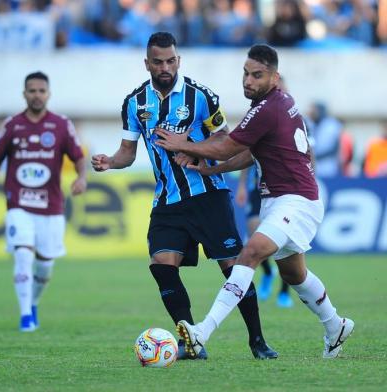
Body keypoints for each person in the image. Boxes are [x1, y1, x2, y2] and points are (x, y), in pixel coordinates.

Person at [155, 44, 354, 359]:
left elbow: (227, 146)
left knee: (249, 254)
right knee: (294, 274)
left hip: (296, 200)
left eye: (257, 75)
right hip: (278, 200)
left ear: (274, 77)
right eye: (246, 74)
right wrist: (215, 168)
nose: (248, 81)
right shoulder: (278, 103)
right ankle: (336, 325)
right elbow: (247, 153)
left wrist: (185, 144)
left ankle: (201, 332)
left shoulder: (267, 109)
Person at [91, 32, 277, 360]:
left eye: (171, 60)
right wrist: (110, 162)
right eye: (159, 61)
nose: (166, 67)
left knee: (234, 267)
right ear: (147, 63)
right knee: (162, 263)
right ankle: (192, 340)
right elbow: (127, 153)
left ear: (179, 60)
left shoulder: (201, 96)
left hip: (208, 195)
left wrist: (193, 148)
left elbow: (225, 140)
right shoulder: (134, 103)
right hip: (167, 200)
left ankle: (257, 341)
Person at [0, 71, 87, 332]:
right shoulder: (12, 125)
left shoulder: (60, 124)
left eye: (41, 90)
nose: (37, 95)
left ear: (48, 93)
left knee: (45, 265)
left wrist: (82, 178)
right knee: (23, 254)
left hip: (51, 206)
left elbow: (78, 156)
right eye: (32, 90)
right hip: (19, 204)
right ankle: (25, 317)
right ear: (24, 93)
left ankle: (33, 303)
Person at [235, 165, 293, 308]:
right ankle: (268, 272)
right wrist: (241, 185)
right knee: (253, 237)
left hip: (285, 191)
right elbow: (246, 155)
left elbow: (310, 157)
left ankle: (284, 293)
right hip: (258, 189)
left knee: (284, 242)